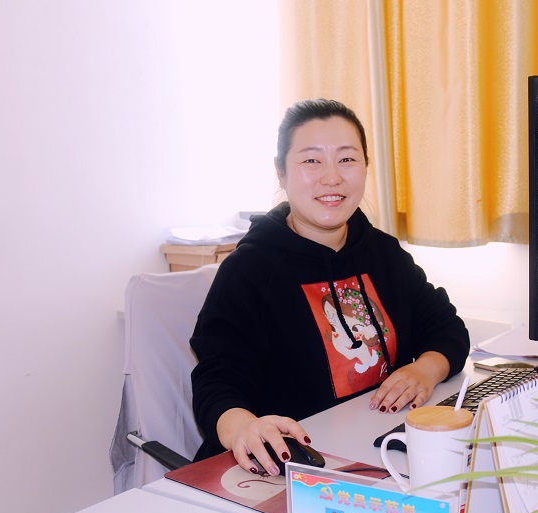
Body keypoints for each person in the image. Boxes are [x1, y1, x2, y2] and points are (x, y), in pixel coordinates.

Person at [190, 98, 470, 476]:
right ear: (280, 172)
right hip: (287, 467)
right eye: (311, 160)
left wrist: (425, 370)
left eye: (347, 159)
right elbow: (217, 381)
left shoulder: (382, 252)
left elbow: (447, 328)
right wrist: (242, 426)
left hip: (374, 450)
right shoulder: (249, 269)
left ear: (366, 167)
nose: (332, 177)